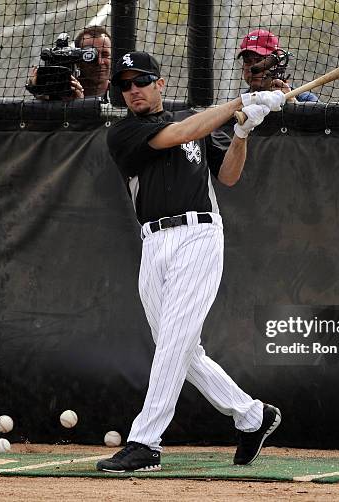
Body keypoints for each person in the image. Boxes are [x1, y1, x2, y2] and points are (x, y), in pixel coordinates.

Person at [97, 51, 283, 473]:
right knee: (181, 349)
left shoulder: (198, 122)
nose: (133, 90)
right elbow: (178, 132)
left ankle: (145, 441)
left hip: (198, 237)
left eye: (140, 80)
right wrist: (241, 102)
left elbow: (229, 176)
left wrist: (242, 134)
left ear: (160, 83)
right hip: (153, 244)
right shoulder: (124, 132)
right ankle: (253, 416)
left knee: (175, 343)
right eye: (124, 85)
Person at [26, 26, 111, 100]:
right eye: (89, 56)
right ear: (77, 60)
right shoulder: (61, 93)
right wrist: (39, 93)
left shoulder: (121, 93)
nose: (99, 62)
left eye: (105, 55)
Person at [238, 29, 319, 104]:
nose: (253, 69)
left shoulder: (305, 99)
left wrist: (292, 103)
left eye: (260, 61)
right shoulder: (239, 103)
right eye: (247, 61)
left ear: (277, 64)